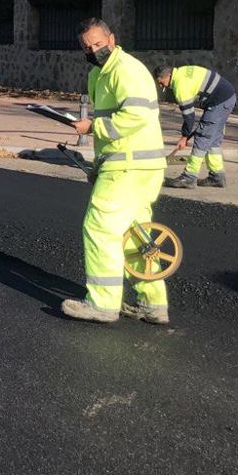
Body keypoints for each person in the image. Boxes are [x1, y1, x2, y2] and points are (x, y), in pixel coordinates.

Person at [63, 18, 170, 325]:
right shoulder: (100, 73)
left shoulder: (127, 69)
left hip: (129, 165)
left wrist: (92, 127)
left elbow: (137, 114)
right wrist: (97, 166)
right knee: (137, 237)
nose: (94, 50)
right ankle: (153, 304)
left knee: (99, 228)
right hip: (133, 165)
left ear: (112, 38)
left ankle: (102, 303)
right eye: (87, 47)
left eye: (98, 43)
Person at [155, 64, 236, 189]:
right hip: (227, 97)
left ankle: (189, 177)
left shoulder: (180, 86)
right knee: (212, 140)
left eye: (162, 82)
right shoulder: (181, 72)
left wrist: (184, 137)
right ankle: (217, 176)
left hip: (220, 101)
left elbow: (189, 116)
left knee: (203, 137)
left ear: (168, 76)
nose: (162, 86)